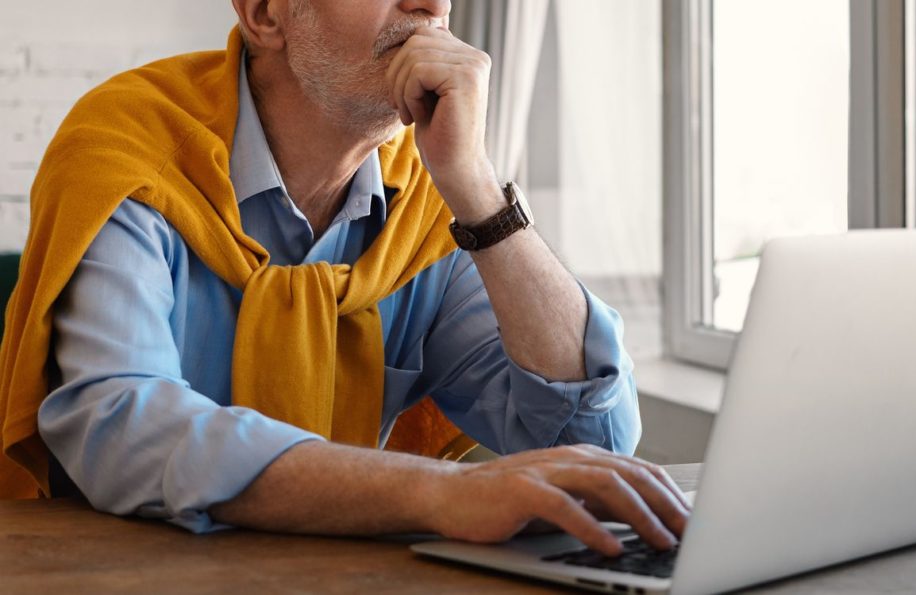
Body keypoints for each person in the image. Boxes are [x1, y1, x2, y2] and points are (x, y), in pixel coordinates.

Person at [0, 0, 688, 556]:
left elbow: (589, 442)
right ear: (267, 14)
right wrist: (440, 493)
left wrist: (477, 187)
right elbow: (122, 425)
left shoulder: (429, 199)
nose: (433, 7)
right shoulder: (126, 150)